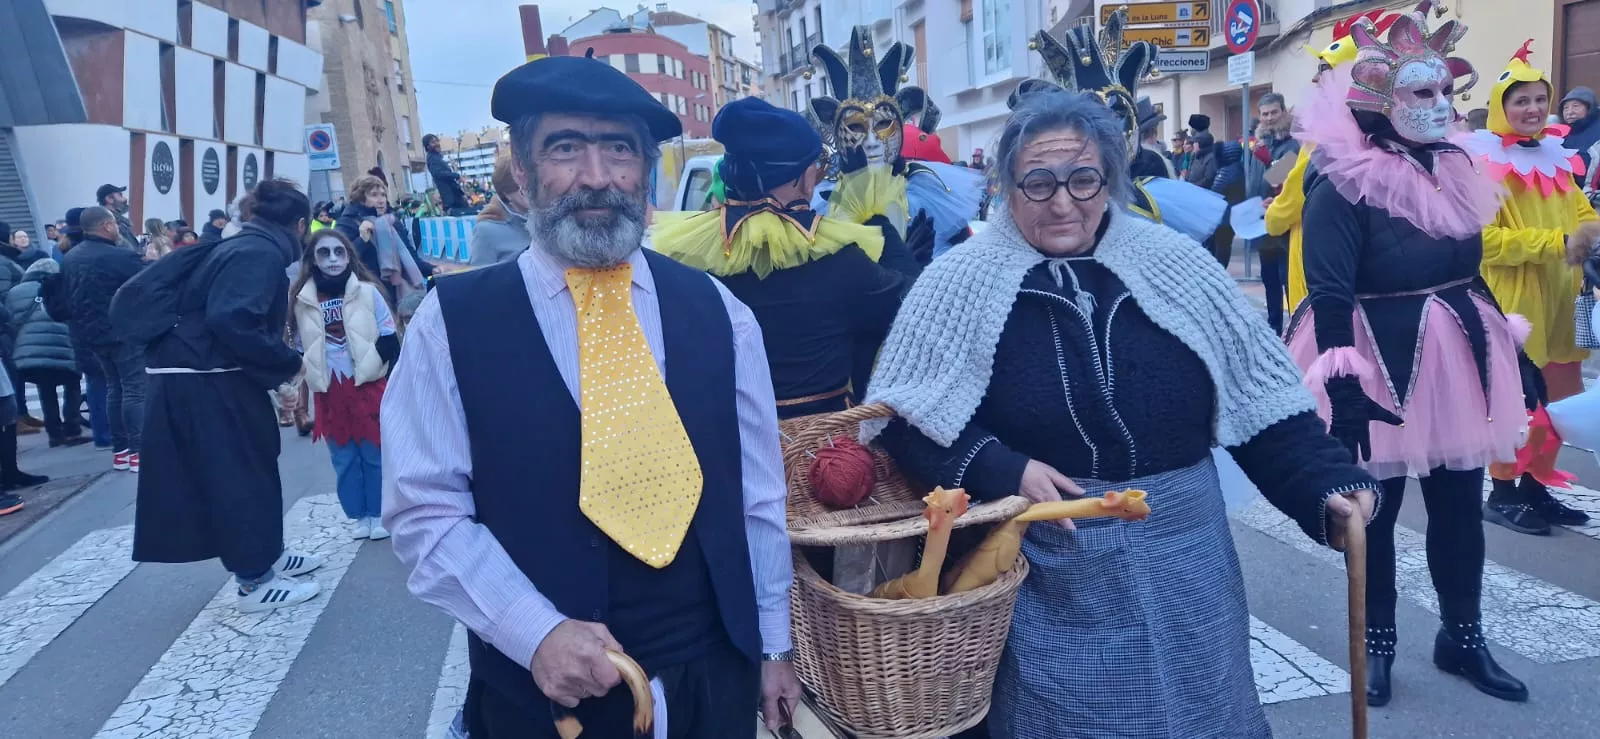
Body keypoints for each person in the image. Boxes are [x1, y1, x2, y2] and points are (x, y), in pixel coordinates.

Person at [864, 88, 1376, 738]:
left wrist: (1323, 483)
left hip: (1187, 559)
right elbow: (902, 419)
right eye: (1039, 182)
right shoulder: (955, 282)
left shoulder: (1177, 264)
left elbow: (1262, 400)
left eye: (1083, 180)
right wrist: (1001, 465)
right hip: (1053, 567)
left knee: (1203, 712)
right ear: (1007, 187)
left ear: (1110, 179)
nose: (1062, 202)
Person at [383, 54, 801, 738]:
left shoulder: (720, 312)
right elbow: (425, 511)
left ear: (645, 170)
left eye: (618, 149)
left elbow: (757, 493)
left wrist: (775, 645)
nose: (597, 176)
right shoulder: (452, 323)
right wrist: (534, 630)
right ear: (523, 170)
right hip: (546, 697)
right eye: (565, 147)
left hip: (713, 685)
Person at [1288, 10, 1529, 706]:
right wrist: (1344, 387)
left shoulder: (1454, 165)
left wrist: (1515, 353)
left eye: (1442, 94)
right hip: (1377, 360)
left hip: (1457, 352)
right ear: (1376, 98)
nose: (1438, 107)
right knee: (1377, 511)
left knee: (1460, 504)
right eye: (1420, 95)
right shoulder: (1342, 178)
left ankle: (1462, 635)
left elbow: (1469, 266)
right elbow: (1329, 288)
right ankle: (1378, 641)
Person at [132, 178, 326, 612]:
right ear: (299, 224)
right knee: (236, 476)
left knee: (254, 464)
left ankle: (267, 553)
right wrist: (287, 364)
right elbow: (233, 321)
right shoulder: (258, 253)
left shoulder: (245, 245)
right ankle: (254, 581)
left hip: (204, 376)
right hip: (205, 382)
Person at [652, 97, 909, 416]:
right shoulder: (840, 258)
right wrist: (896, 247)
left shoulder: (683, 255)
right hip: (818, 450)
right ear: (801, 177)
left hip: (724, 439)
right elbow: (911, 309)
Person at [1462, 42, 1600, 534]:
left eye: (1540, 99)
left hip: (1563, 300)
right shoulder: (1479, 163)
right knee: (1517, 404)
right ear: (1502, 106)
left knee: (1558, 406)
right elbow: (1484, 241)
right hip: (1515, 304)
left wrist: (1592, 240)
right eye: (1521, 100)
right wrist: (1556, 243)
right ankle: (1501, 493)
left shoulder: (1558, 159)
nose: (1533, 109)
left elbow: (1584, 219)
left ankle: (1536, 489)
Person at [1266, 8, 1403, 314]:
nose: (1315, 79)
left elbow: (1291, 196)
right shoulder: (1386, 126)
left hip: (1323, 262)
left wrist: (1272, 215)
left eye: (1324, 70)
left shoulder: (1323, 134)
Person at [290, 229, 398, 540]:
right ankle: (358, 514)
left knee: (374, 452)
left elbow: (389, 335)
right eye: (325, 253)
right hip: (329, 389)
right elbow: (297, 346)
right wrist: (304, 379)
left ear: (349, 255)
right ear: (312, 259)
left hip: (366, 384)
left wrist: (371, 368)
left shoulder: (367, 292)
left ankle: (378, 511)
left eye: (340, 252)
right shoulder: (301, 300)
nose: (334, 259)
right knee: (343, 456)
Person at [61, 207, 147, 471]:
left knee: (114, 388)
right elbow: (144, 287)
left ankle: (120, 450)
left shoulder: (71, 257)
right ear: (108, 225)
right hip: (122, 331)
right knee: (135, 389)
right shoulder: (120, 257)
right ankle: (138, 451)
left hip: (90, 333)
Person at [7, 258, 88, 447]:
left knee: (46, 390)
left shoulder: (14, 292)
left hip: (29, 350)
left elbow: (11, 320)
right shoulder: (60, 287)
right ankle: (72, 428)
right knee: (72, 385)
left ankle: (55, 434)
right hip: (62, 345)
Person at [1249, 92, 1299, 334]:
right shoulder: (1260, 142)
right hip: (1262, 220)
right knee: (1268, 278)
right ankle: (1273, 327)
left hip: (1285, 223)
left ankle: (1296, 327)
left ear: (1284, 112)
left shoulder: (1293, 142)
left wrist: (1268, 161)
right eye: (1264, 114)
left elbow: (1282, 179)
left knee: (1286, 277)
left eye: (1273, 112)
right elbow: (1253, 180)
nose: (1269, 118)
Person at [468, 151, 532, 266]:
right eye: (523, 189)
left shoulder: (550, 220)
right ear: (507, 193)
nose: (532, 193)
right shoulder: (487, 231)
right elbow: (480, 278)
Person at [424, 134, 473, 216]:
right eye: (433, 142)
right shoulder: (432, 158)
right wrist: (456, 175)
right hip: (450, 197)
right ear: (427, 146)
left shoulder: (437, 158)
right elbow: (438, 173)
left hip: (454, 195)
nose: (437, 144)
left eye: (437, 141)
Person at [1560, 86, 1600, 174]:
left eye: (1575, 106)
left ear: (1590, 108)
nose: (1570, 112)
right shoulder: (1558, 133)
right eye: (1566, 108)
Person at [96, 184, 141, 250]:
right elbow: (132, 251)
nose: (125, 199)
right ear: (109, 199)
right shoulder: (115, 223)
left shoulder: (97, 219)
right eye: (120, 195)